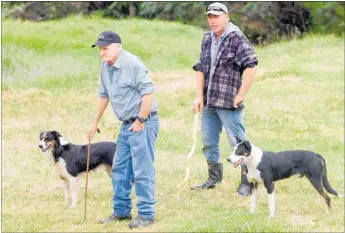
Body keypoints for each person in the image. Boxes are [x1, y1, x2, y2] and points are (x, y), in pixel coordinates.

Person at [87, 30, 159, 228]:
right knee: (119, 168)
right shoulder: (105, 67)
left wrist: (141, 120)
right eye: (100, 49)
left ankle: (146, 214)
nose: (102, 53)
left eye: (105, 48)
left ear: (118, 47)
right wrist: (94, 122)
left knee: (142, 168)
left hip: (143, 122)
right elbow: (103, 96)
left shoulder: (132, 64)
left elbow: (148, 93)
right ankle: (121, 212)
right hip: (126, 124)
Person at [190, 2, 258, 196]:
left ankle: (248, 182)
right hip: (209, 101)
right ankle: (213, 178)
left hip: (229, 101)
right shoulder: (207, 39)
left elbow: (252, 66)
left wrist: (241, 95)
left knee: (238, 143)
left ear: (226, 17)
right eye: (210, 17)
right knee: (208, 141)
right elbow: (201, 68)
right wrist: (198, 96)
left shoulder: (237, 39)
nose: (212, 21)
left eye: (216, 17)